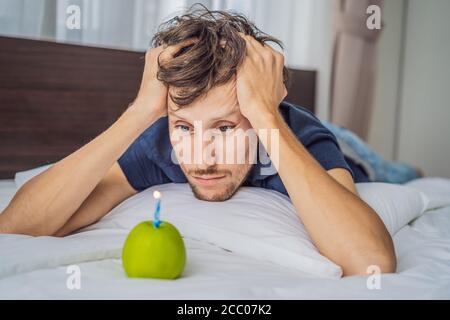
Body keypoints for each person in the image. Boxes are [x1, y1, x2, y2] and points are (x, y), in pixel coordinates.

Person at [0, 6, 396, 276]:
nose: (200, 158)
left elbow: (370, 261)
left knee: (379, 164)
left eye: (225, 128)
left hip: (350, 153)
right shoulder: (160, 145)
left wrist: (264, 115)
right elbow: (14, 228)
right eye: (184, 126)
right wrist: (141, 111)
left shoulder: (299, 134)